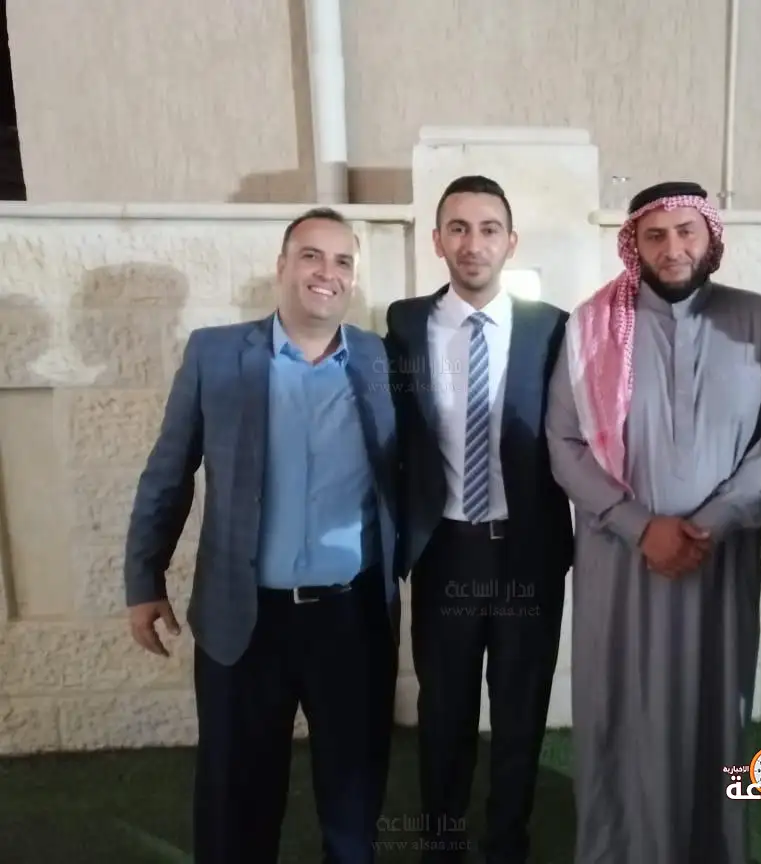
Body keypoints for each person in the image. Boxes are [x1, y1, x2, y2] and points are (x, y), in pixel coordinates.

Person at [123, 207, 403, 864]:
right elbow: (169, 472)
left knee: (353, 807)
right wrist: (144, 580)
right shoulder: (216, 354)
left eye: (342, 261)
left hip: (352, 620)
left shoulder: (381, 359)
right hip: (243, 622)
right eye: (311, 256)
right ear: (281, 267)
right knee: (235, 808)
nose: (327, 272)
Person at [545, 180, 761, 864]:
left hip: (717, 564)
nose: (673, 248)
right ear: (634, 244)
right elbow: (563, 443)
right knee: (619, 709)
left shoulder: (756, 320)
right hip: (620, 564)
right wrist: (640, 526)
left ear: (711, 235)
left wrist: (707, 525)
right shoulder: (593, 324)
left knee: (714, 708)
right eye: (655, 235)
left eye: (687, 231)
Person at [384, 174, 573, 863]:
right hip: (445, 551)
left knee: (521, 715)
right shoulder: (405, 325)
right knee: (445, 713)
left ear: (510, 241)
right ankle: (442, 845)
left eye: (489, 229)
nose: (473, 243)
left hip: (528, 551)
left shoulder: (552, 328)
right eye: (458, 228)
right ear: (437, 240)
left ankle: (507, 845)